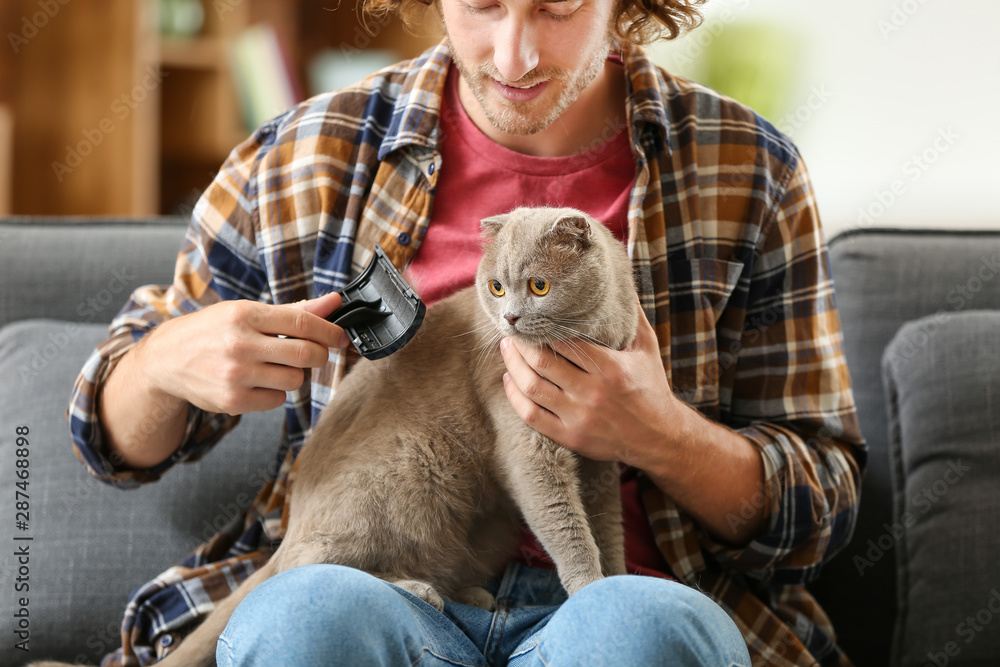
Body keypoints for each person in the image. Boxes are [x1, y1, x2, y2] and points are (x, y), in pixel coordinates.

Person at [68, 0, 866, 664]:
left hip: (616, 612)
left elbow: (822, 511)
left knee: (641, 631)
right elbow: (108, 441)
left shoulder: (747, 169)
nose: (514, 54)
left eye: (557, 8)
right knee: (304, 617)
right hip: (378, 584)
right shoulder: (310, 152)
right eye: (483, 4)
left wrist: (662, 436)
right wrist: (164, 361)